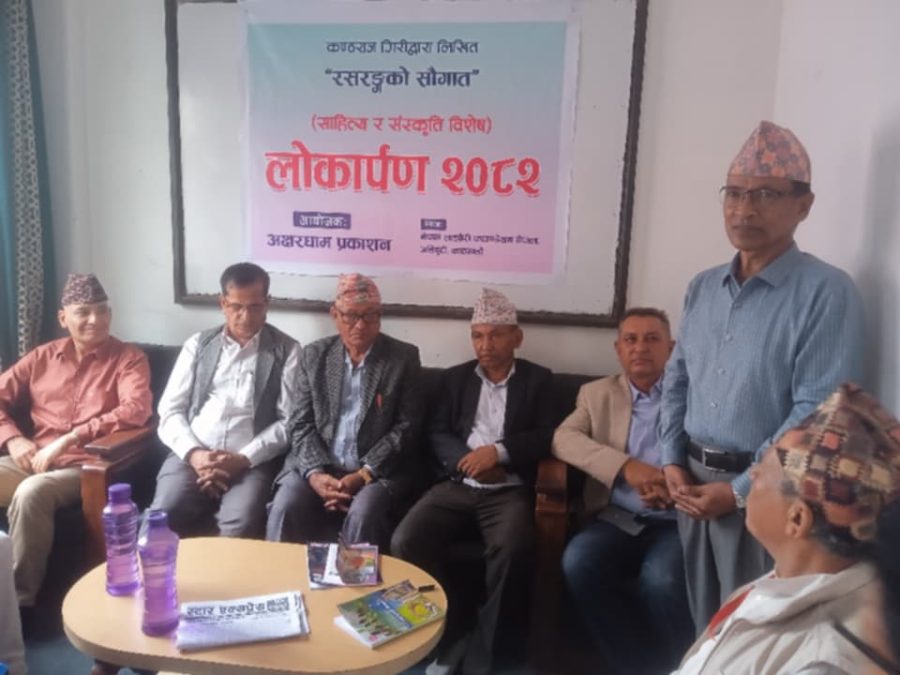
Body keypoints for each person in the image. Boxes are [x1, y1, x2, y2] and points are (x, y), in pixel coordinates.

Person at [659, 120, 865, 630]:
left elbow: (818, 410)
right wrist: (670, 460)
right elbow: (677, 379)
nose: (744, 209)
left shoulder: (826, 292)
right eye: (734, 193)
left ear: (804, 205)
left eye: (766, 195)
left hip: (771, 493)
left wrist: (739, 491)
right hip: (691, 485)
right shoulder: (703, 287)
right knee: (706, 629)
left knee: (754, 632)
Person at [674, 383, 900, 674]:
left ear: (797, 519)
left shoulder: (822, 664)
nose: (753, 472)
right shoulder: (790, 578)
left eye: (764, 469)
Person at [391, 288, 553, 675]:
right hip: (457, 484)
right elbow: (437, 432)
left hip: (508, 488)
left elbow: (548, 434)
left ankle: (483, 654)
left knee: (512, 549)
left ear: (516, 337)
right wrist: (470, 465)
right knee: (405, 540)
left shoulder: (539, 380)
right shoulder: (455, 379)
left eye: (495, 335)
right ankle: (449, 630)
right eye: (478, 336)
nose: (485, 345)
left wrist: (498, 454)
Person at [553, 307, 693, 674]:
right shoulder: (596, 394)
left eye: (652, 339)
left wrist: (674, 486)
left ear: (671, 348)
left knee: (661, 581)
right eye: (630, 339)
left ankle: (687, 666)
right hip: (616, 518)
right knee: (578, 563)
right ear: (618, 349)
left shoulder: (694, 394)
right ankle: (636, 667)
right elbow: (563, 439)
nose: (640, 348)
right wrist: (626, 467)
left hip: (676, 520)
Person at [0, 273, 152, 611]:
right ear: (63, 317)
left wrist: (71, 438)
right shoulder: (41, 357)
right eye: (83, 312)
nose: (94, 320)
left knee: (31, 493)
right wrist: (13, 438)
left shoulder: (129, 359)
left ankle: (17, 604)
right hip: (31, 457)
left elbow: (136, 409)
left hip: (85, 466)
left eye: (102, 310)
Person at [266, 273, 422, 550]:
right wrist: (315, 474)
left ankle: (353, 578)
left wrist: (362, 475)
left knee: (363, 514)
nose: (360, 325)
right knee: (286, 506)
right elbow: (300, 422)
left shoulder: (402, 358)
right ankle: (282, 575)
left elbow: (406, 427)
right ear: (335, 315)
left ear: (380, 316)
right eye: (351, 316)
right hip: (318, 465)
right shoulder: (315, 355)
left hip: (375, 472)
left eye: (369, 315)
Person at [152, 262, 300, 538]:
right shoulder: (198, 345)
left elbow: (288, 421)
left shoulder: (287, 350)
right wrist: (196, 455)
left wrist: (243, 459)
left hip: (251, 464)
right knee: (162, 516)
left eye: (254, 307)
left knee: (239, 526)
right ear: (223, 303)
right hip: (191, 457)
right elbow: (170, 411)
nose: (245, 316)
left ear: (267, 304)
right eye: (236, 307)